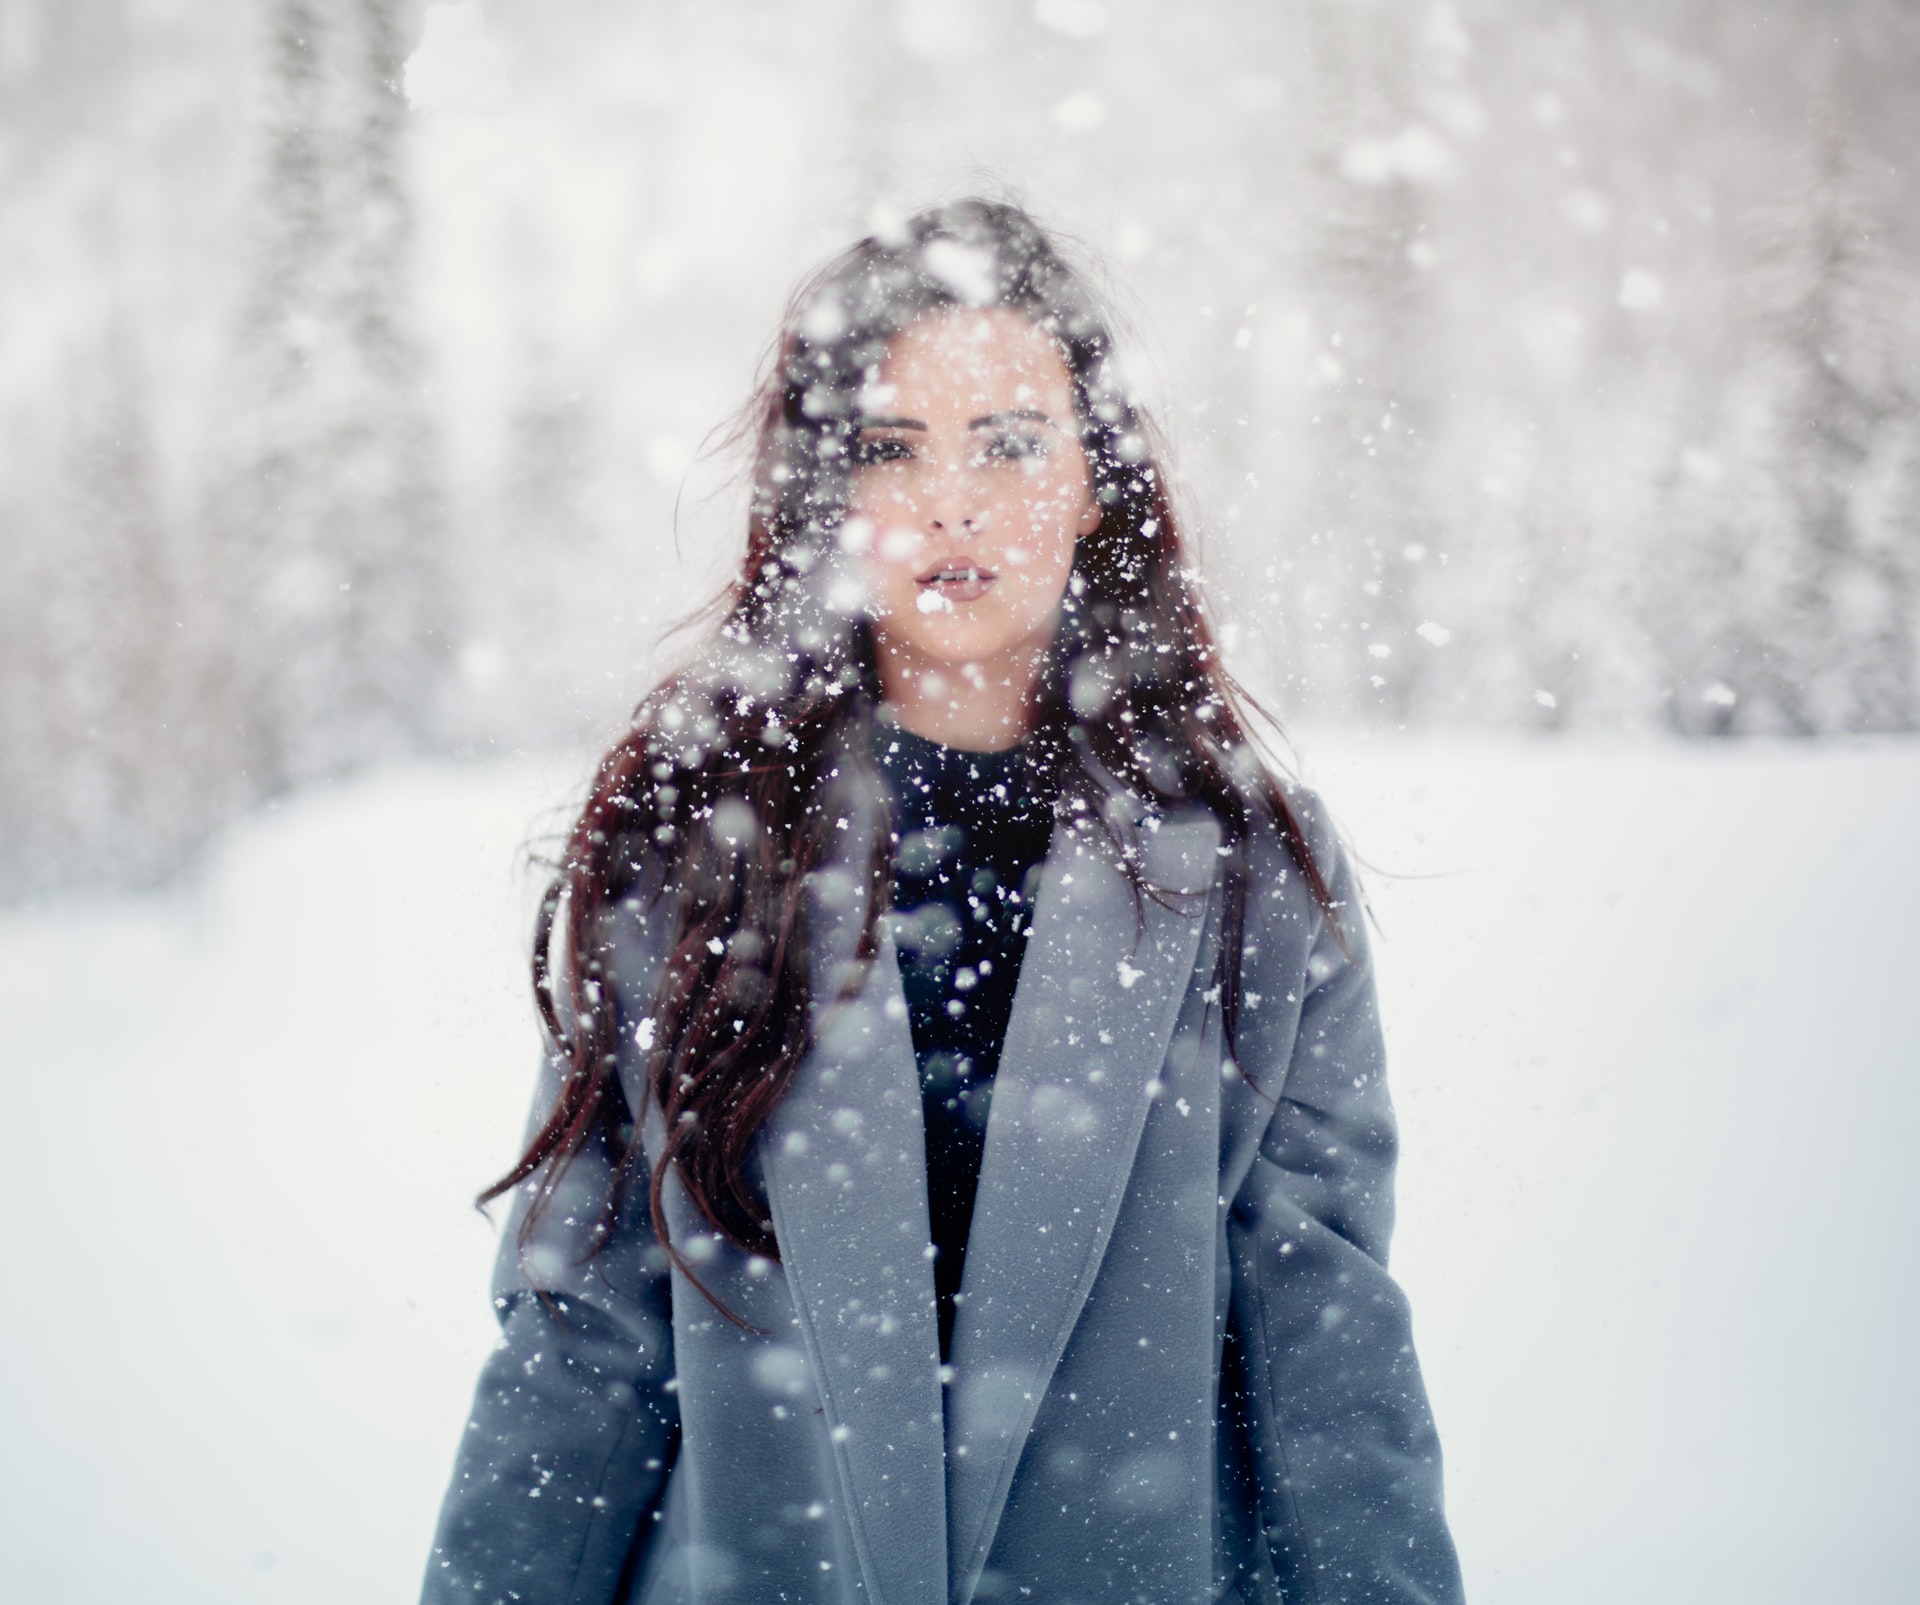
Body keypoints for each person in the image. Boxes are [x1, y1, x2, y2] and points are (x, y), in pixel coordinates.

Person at [421, 199, 1464, 1605]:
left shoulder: (1249, 871)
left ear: (1100, 476)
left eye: (1010, 441)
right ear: (819, 490)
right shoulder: (692, 853)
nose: (949, 502)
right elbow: (581, 1347)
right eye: (889, 447)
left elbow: (1327, 1345)